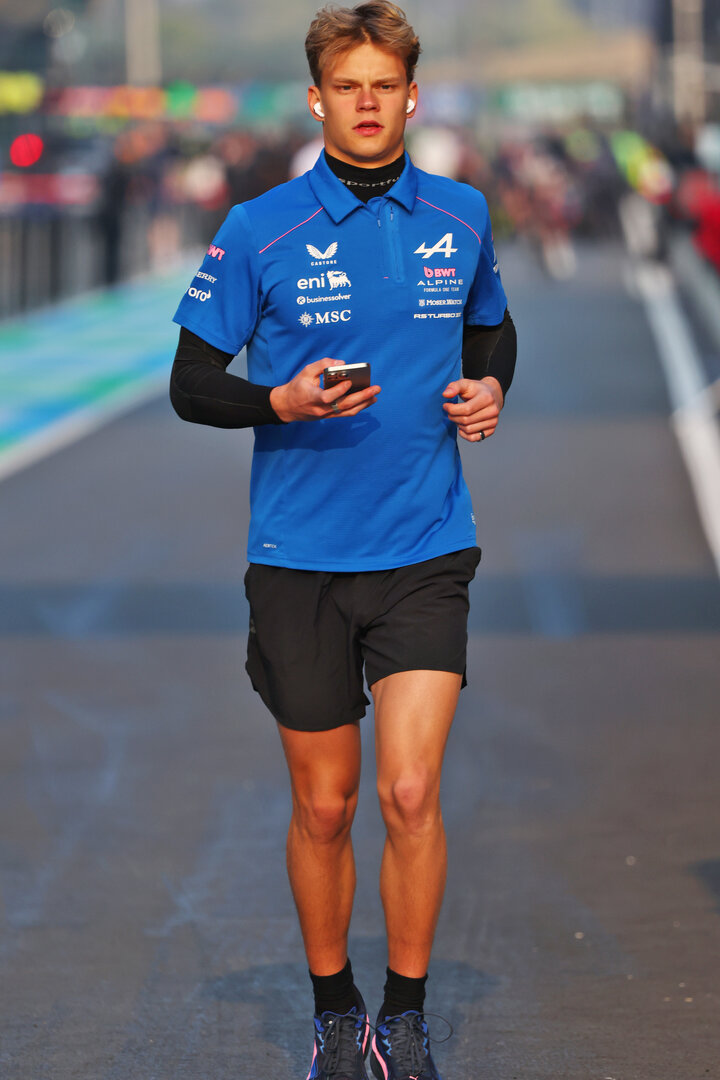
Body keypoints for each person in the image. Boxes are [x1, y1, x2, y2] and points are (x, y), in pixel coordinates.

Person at [169, 4, 517, 1078]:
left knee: (412, 793)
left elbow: (491, 324)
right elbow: (191, 386)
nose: (367, 102)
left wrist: (490, 384)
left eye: (385, 84)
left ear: (413, 96)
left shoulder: (460, 215)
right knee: (326, 806)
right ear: (318, 100)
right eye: (347, 85)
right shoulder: (259, 227)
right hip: (299, 560)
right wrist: (278, 400)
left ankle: (404, 1022)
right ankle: (335, 1011)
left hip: (425, 545)